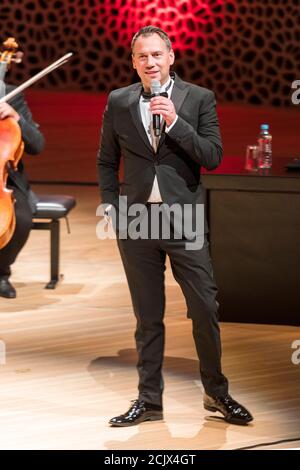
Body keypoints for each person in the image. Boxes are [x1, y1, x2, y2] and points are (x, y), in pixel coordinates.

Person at [97, 26, 253, 426]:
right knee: (148, 316)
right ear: (133, 62)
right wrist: (113, 210)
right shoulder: (118, 101)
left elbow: (213, 156)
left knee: (204, 307)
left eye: (156, 55)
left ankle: (216, 393)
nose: (150, 62)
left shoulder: (198, 98)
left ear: (171, 57)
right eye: (141, 56)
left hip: (184, 218)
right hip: (136, 221)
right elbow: (105, 161)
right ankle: (149, 401)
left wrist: (176, 122)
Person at [0, 83, 45, 298]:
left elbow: (37, 144)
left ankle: (1, 273)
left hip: (6, 180)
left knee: (21, 220)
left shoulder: (11, 94)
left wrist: (16, 117)